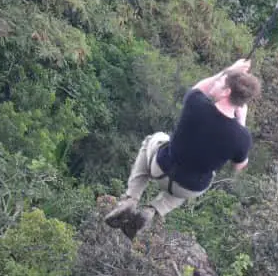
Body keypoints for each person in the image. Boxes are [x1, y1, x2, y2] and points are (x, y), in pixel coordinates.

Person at [105, 58, 261, 239]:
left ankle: (130, 199)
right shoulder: (242, 138)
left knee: (153, 139)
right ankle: (152, 211)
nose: (217, 81)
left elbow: (199, 87)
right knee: (201, 177)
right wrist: (241, 121)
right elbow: (240, 166)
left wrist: (230, 69)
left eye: (221, 81)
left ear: (226, 91)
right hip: (187, 188)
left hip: (161, 168)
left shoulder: (197, 104)